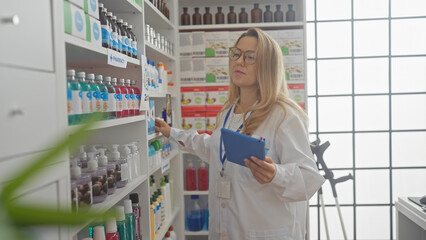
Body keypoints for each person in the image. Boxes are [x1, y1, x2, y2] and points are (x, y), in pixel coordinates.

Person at [155, 28, 325, 240]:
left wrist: (276, 174)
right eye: (236, 53)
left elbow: (309, 178)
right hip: (226, 230)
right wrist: (172, 132)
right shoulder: (228, 111)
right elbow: (214, 149)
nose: (239, 61)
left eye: (250, 57)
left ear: (267, 66)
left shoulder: (284, 115)